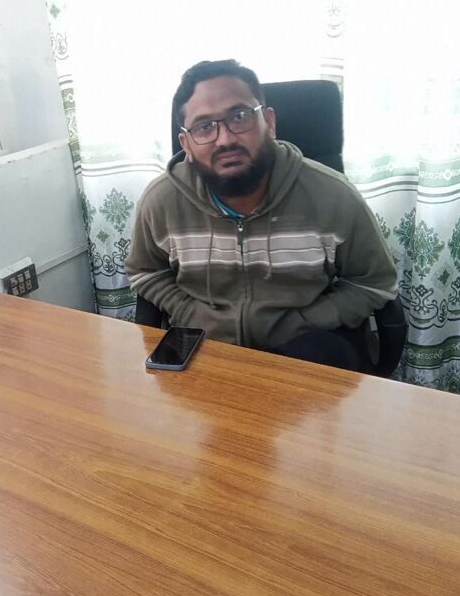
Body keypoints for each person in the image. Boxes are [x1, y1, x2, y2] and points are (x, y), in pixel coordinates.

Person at [126, 59, 398, 371]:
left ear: (268, 122)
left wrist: (305, 321)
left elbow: (374, 282)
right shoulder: (161, 201)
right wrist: (191, 314)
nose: (225, 139)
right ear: (186, 144)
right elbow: (146, 272)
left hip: (305, 346)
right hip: (207, 346)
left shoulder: (333, 195)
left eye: (239, 116)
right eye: (204, 126)